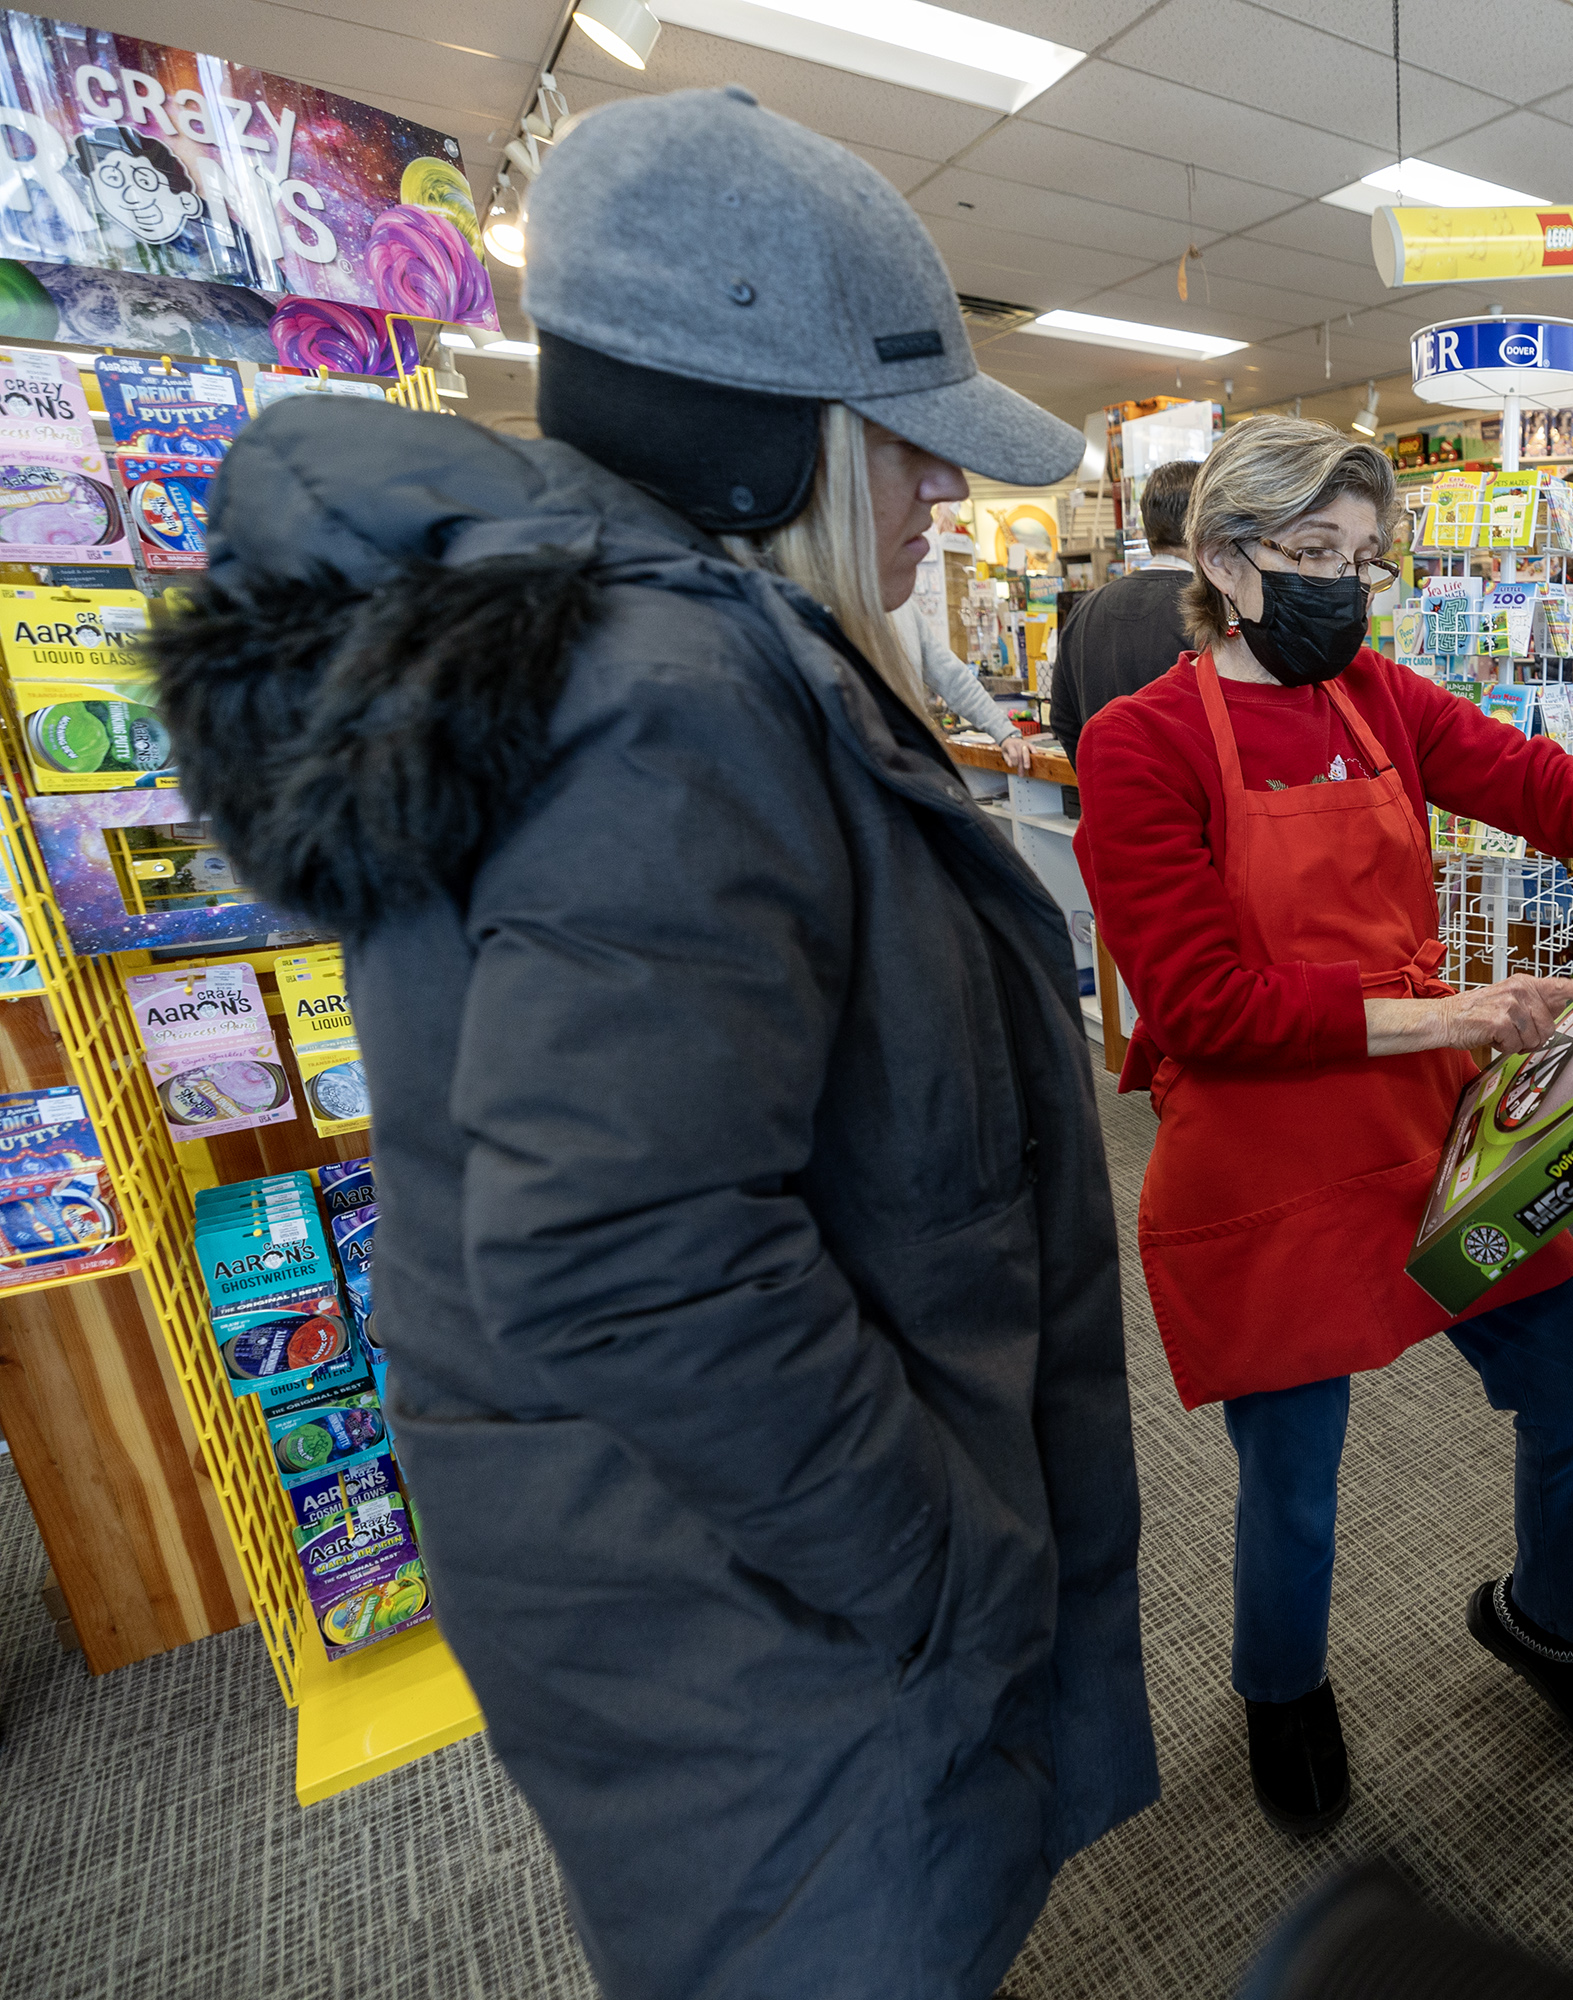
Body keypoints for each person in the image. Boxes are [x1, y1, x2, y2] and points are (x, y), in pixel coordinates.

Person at [146, 87, 1155, 1999]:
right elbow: (627, 1251)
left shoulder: (615, 646)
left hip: (676, 1570)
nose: (946, 500)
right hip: (765, 1620)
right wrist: (941, 1567)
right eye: (907, 450)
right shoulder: (671, 693)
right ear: (772, 438)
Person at [1075, 414, 1573, 1836]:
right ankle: (1281, 1689)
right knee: (1293, 1472)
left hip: (1435, 1134)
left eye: (1363, 559)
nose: (1341, 588)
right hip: (1269, 1154)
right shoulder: (1140, 743)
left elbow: (1537, 784)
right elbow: (1206, 1005)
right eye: (1310, 556)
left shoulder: (1376, 697)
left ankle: (1549, 1620)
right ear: (1224, 562)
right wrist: (1456, 1016)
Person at [1049, 456, 1199, 758]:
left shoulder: (1084, 609)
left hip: (1105, 795)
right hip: (1188, 802)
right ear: (1204, 520)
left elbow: (1063, 720)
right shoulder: (1209, 611)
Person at [892, 582, 1036, 770]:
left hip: (907, 757)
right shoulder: (844, 609)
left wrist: (1006, 733)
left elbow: (953, 678)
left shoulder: (903, 609)